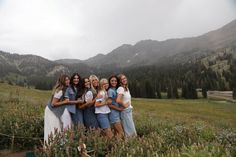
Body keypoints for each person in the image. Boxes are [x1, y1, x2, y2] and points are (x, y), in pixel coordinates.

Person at [44, 74, 71, 144]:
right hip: (51, 111)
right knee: (53, 127)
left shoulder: (63, 89)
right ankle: (51, 146)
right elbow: (53, 104)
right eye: (66, 80)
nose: (68, 81)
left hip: (52, 110)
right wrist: (65, 102)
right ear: (63, 81)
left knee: (55, 127)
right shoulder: (60, 91)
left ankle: (53, 145)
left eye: (68, 79)